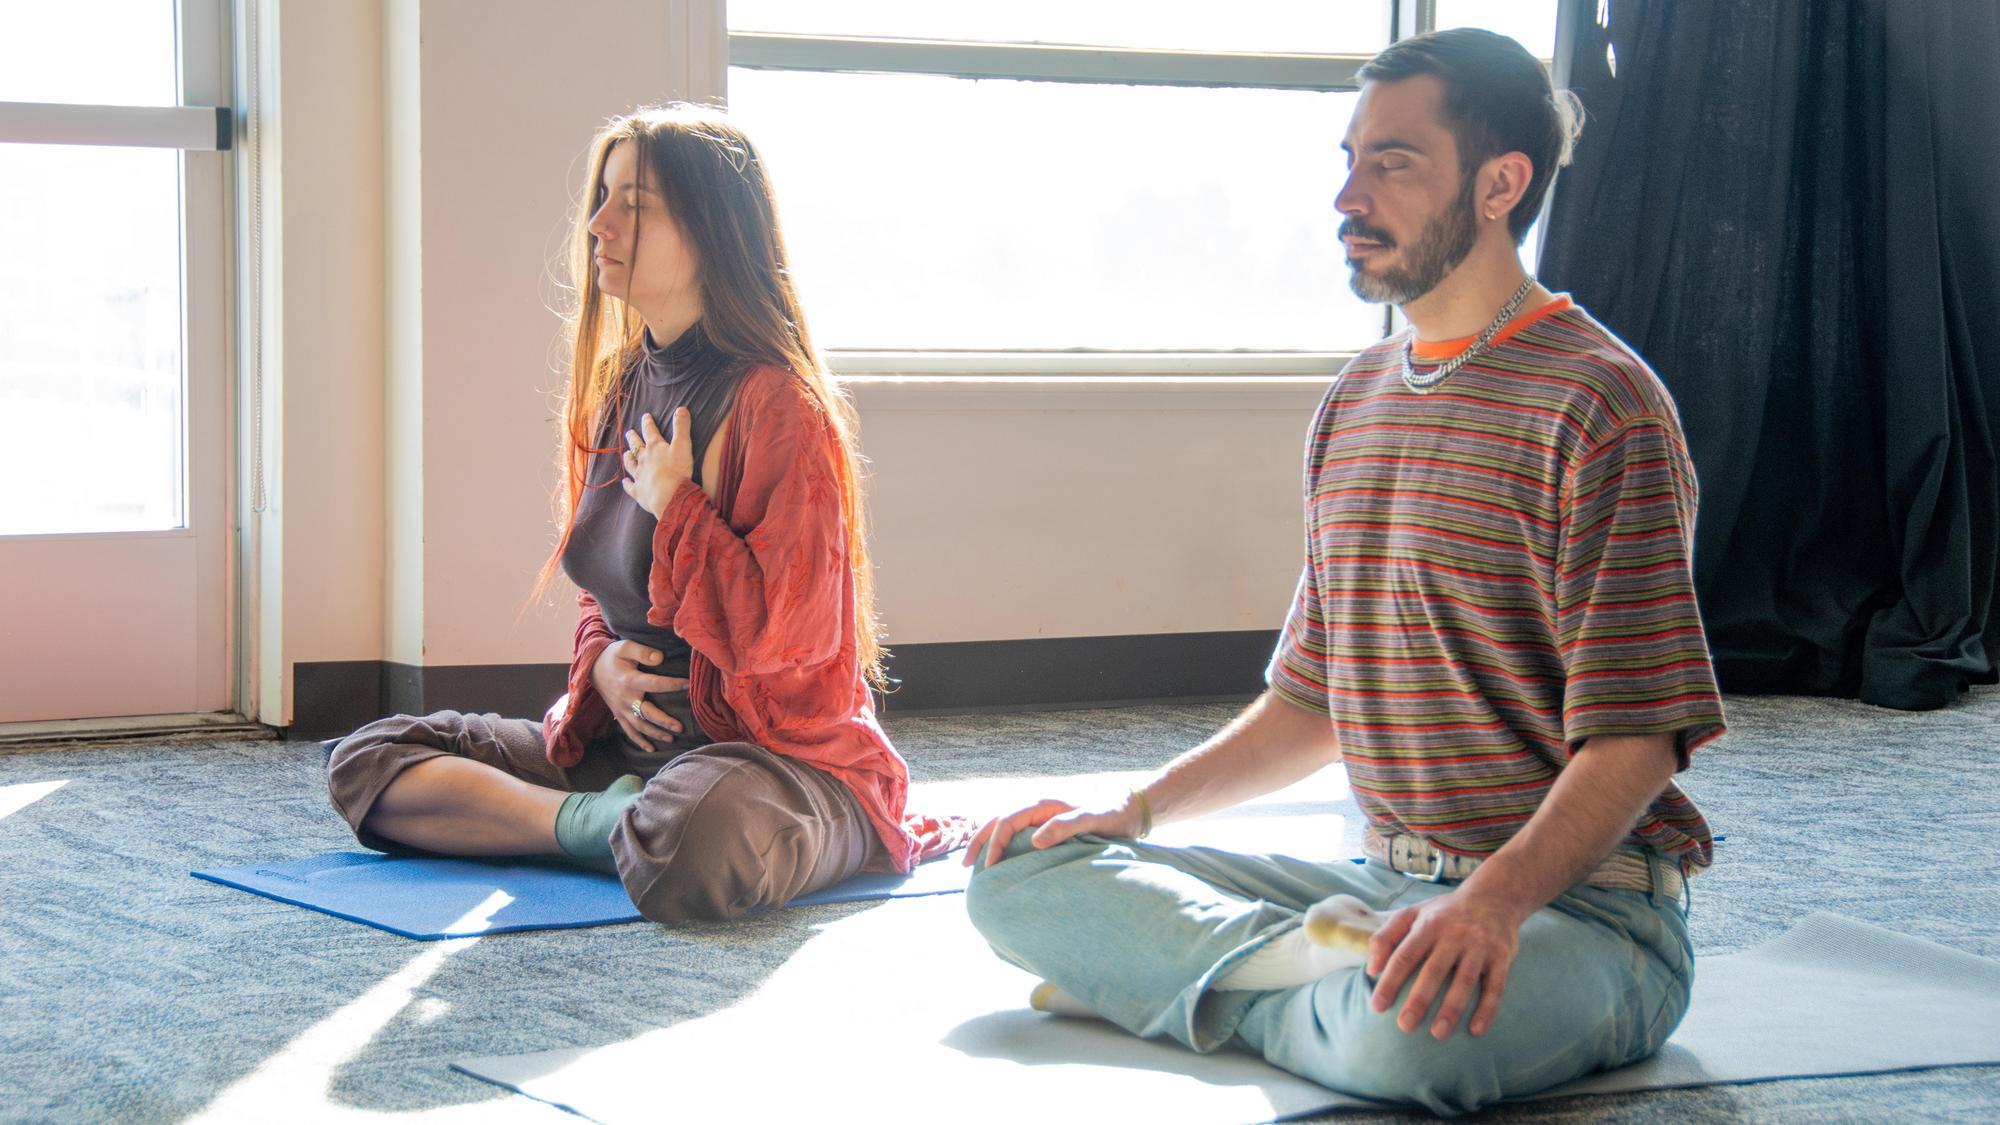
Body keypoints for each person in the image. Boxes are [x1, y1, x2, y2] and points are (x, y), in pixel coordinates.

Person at [963, 29, 1724, 1115]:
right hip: (1378, 893)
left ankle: (1213, 985)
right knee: (1017, 878)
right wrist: (1128, 815)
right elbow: (1313, 703)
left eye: (1392, 163)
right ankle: (1302, 979)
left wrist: (1491, 905)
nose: (1345, 198)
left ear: (1500, 183)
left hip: (1582, 914)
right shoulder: (1353, 401)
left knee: (1405, 1050)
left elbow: (1638, 739)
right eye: (1347, 158)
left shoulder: (1600, 406)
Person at [327, 105, 962, 924]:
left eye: (633, 204)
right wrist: (599, 669)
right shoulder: (624, 385)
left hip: (772, 764)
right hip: (632, 758)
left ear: (710, 230)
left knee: (697, 836)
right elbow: (605, 589)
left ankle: (613, 826)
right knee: (367, 760)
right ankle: (594, 825)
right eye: (602, 196)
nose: (598, 224)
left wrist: (680, 504)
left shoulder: (781, 408)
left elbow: (788, 639)